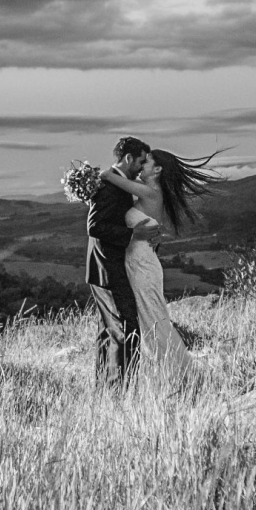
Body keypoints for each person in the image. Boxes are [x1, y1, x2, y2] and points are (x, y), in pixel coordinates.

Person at [97, 148, 220, 379]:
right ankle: (168, 374)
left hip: (142, 266)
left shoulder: (149, 191)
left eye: (145, 162)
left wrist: (86, 179)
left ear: (157, 169)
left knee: (153, 321)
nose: (140, 166)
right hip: (139, 263)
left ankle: (179, 375)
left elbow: (109, 176)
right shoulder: (149, 191)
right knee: (149, 320)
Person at [86, 136, 162, 386]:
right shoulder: (109, 186)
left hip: (112, 267)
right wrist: (133, 234)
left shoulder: (120, 184)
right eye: (140, 161)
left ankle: (106, 388)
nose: (141, 168)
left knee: (110, 330)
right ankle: (121, 387)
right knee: (127, 327)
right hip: (108, 268)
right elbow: (94, 226)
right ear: (128, 158)